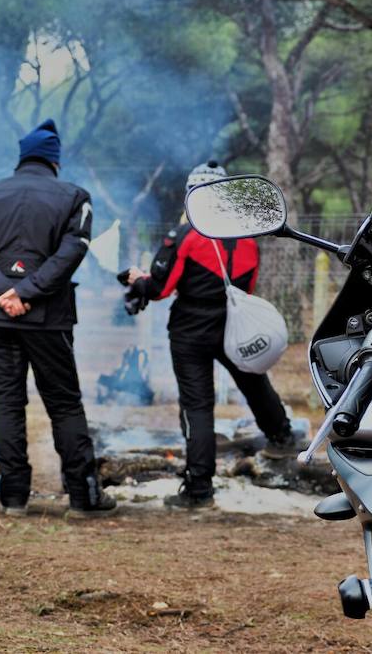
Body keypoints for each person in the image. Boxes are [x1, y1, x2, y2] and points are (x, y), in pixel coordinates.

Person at [0, 118, 115, 518]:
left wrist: (1, 291)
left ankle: (13, 497)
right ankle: (82, 497)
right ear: (54, 162)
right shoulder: (74, 196)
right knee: (64, 404)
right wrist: (25, 293)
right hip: (49, 319)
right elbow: (71, 252)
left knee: (6, 403)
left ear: (23, 157)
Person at [122, 161, 297, 509]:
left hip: (190, 328)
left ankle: (199, 488)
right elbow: (246, 285)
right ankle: (282, 437)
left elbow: (159, 288)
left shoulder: (184, 236)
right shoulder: (247, 236)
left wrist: (135, 280)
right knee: (253, 380)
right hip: (234, 324)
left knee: (197, 405)